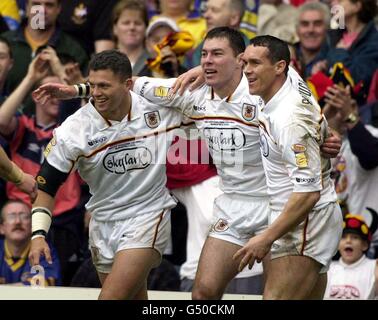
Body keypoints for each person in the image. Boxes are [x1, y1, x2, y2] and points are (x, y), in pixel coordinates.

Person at [34, 27, 341, 299]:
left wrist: (326, 137)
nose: (207, 60)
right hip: (234, 204)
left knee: (282, 292)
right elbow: (127, 84)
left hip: (280, 204)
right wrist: (78, 90)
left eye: (217, 54)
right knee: (203, 291)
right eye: (203, 54)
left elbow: (301, 114)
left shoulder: (264, 90)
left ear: (241, 61)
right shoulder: (188, 94)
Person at [29, 50, 184, 300]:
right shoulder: (74, 130)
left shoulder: (157, 107)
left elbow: (201, 89)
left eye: (104, 86)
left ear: (127, 84)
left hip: (148, 215)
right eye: (92, 85)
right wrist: (38, 236)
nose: (96, 92)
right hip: (103, 222)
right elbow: (46, 188)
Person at [234, 35, 343, 299]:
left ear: (280, 67)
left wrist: (265, 238)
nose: (247, 70)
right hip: (301, 216)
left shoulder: (290, 120)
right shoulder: (288, 80)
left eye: (255, 63)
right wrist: (326, 133)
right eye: (245, 62)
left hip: (306, 220)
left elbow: (308, 192)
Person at [0, 199, 61, 286]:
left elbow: (46, 284)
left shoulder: (43, 250)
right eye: (11, 216)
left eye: (24, 216)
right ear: (1, 228)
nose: (18, 222)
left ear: (33, 226)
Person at [324, 214, 378, 299]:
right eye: (343, 237)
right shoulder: (327, 269)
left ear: (364, 245)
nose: (348, 241)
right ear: (337, 244)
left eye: (355, 237)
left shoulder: (374, 267)